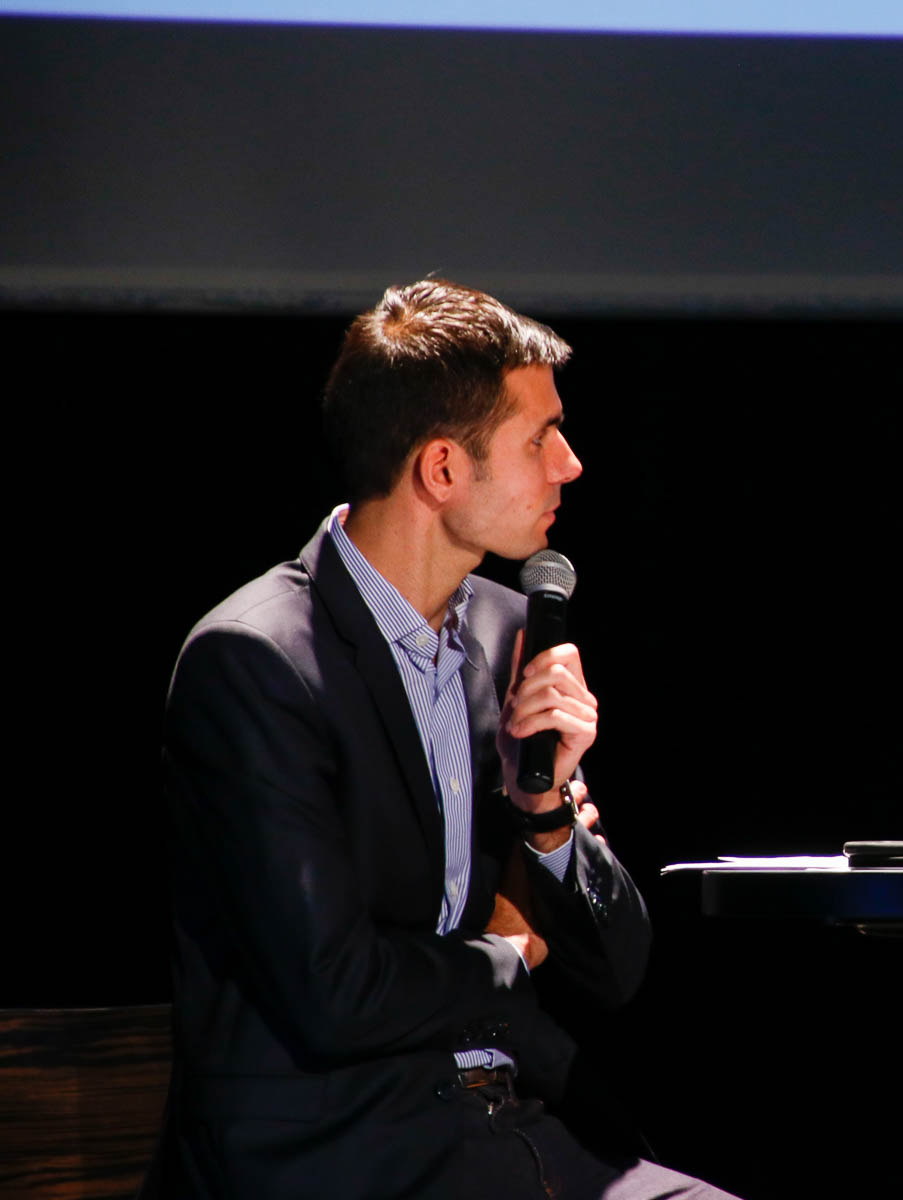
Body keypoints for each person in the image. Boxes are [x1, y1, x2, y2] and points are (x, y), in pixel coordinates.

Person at [161, 279, 734, 1199]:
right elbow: (334, 992)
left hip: (511, 1126)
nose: (571, 464)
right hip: (345, 1153)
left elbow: (614, 971)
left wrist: (546, 813)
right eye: (540, 438)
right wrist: (506, 954)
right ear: (441, 470)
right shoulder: (257, 661)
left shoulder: (509, 633)